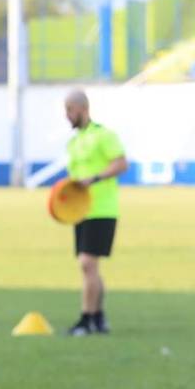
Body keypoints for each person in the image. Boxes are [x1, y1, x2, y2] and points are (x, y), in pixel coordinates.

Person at [63, 90, 128, 336]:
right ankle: (99, 317)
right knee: (90, 267)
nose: (67, 115)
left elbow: (121, 163)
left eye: (70, 110)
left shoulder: (103, 135)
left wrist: (95, 178)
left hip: (102, 209)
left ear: (82, 109)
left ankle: (87, 319)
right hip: (81, 212)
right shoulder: (73, 142)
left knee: (87, 263)